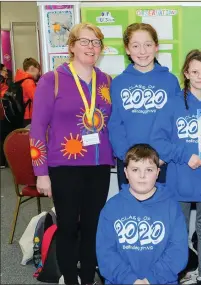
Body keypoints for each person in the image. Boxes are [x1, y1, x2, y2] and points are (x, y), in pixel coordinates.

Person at [30, 22, 114, 285]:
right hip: (64, 166)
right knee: (68, 227)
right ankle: (68, 276)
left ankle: (87, 277)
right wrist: (41, 173)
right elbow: (37, 129)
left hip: (99, 166)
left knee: (92, 227)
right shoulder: (51, 79)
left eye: (96, 42)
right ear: (72, 46)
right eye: (85, 41)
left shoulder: (106, 81)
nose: (91, 47)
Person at [150, 49, 201, 285]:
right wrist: (184, 155)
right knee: (178, 231)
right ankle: (177, 274)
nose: (200, 76)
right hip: (180, 180)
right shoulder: (172, 105)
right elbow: (158, 142)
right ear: (186, 73)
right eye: (194, 71)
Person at [96, 144, 188, 285]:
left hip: (162, 281)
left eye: (149, 170)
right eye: (135, 169)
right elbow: (105, 253)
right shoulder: (111, 207)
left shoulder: (172, 207)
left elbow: (178, 252)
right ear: (126, 172)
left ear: (157, 172)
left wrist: (150, 280)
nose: (142, 176)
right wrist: (130, 280)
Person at [108, 23, 180, 189]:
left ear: (156, 47)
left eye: (148, 45)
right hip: (129, 163)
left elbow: (177, 123)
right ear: (127, 49)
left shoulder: (170, 81)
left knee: (161, 212)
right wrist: (128, 159)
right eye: (135, 46)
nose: (142, 51)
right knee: (131, 213)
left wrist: (164, 156)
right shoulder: (118, 83)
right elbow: (115, 125)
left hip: (162, 161)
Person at [14, 57, 41, 126]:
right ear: (32, 68)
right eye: (38, 70)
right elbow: (38, 99)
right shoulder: (28, 82)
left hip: (24, 116)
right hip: (29, 117)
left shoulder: (21, 80)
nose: (39, 73)